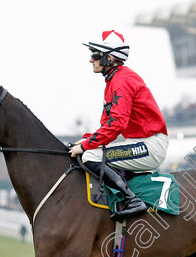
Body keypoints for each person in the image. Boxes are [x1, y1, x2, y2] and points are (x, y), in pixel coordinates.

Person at [70, 30, 169, 220]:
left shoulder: (121, 81)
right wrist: (85, 140)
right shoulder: (113, 81)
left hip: (150, 145)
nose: (91, 60)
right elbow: (107, 126)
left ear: (110, 58)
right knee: (89, 150)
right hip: (140, 143)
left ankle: (132, 200)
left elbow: (115, 125)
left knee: (90, 155)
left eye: (95, 55)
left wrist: (85, 146)